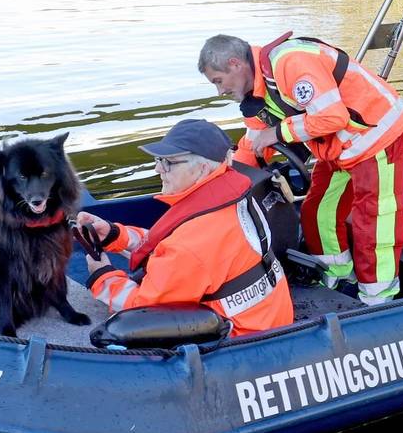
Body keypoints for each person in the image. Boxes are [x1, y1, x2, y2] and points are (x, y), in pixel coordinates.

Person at [198, 32, 403, 305]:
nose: (220, 91)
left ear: (235, 64)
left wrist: (278, 132)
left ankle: (378, 300)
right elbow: (253, 144)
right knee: (317, 212)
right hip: (338, 148)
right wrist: (224, 185)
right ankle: (338, 278)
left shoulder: (290, 62)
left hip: (375, 136)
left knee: (374, 221)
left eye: (218, 81)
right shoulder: (256, 91)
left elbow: (333, 117)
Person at [78, 119, 293, 337]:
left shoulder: (191, 244)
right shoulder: (236, 197)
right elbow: (169, 245)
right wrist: (116, 235)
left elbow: (143, 308)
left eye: (168, 163)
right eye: (159, 160)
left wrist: (102, 276)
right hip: (272, 317)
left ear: (202, 169)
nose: (157, 169)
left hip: (242, 339)